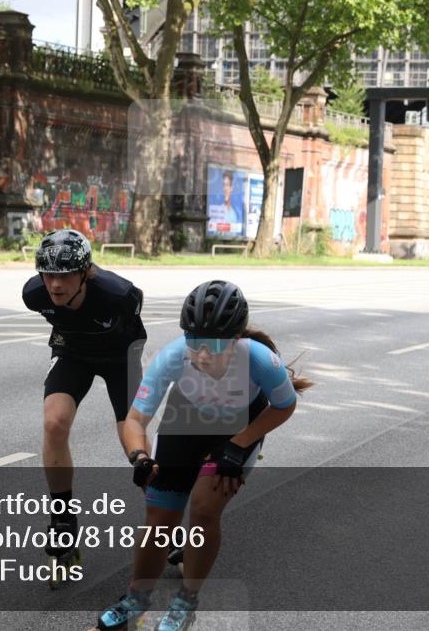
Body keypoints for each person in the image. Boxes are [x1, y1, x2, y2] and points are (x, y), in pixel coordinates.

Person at [93, 280, 313, 631]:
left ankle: (185, 602)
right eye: (195, 343)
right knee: (158, 519)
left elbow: (284, 406)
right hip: (186, 424)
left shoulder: (260, 359)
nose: (203, 355)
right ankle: (135, 599)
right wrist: (139, 456)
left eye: (215, 345)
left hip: (239, 428)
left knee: (204, 508)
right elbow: (135, 419)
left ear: (236, 339)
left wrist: (240, 444)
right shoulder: (172, 356)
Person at [22, 229, 146, 570]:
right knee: (54, 422)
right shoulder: (34, 295)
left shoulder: (120, 295)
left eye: (64, 275)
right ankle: (62, 518)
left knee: (131, 435)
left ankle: (165, 517)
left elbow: (135, 329)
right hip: (73, 352)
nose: (55, 285)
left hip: (120, 356)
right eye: (48, 275)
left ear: (86, 272)